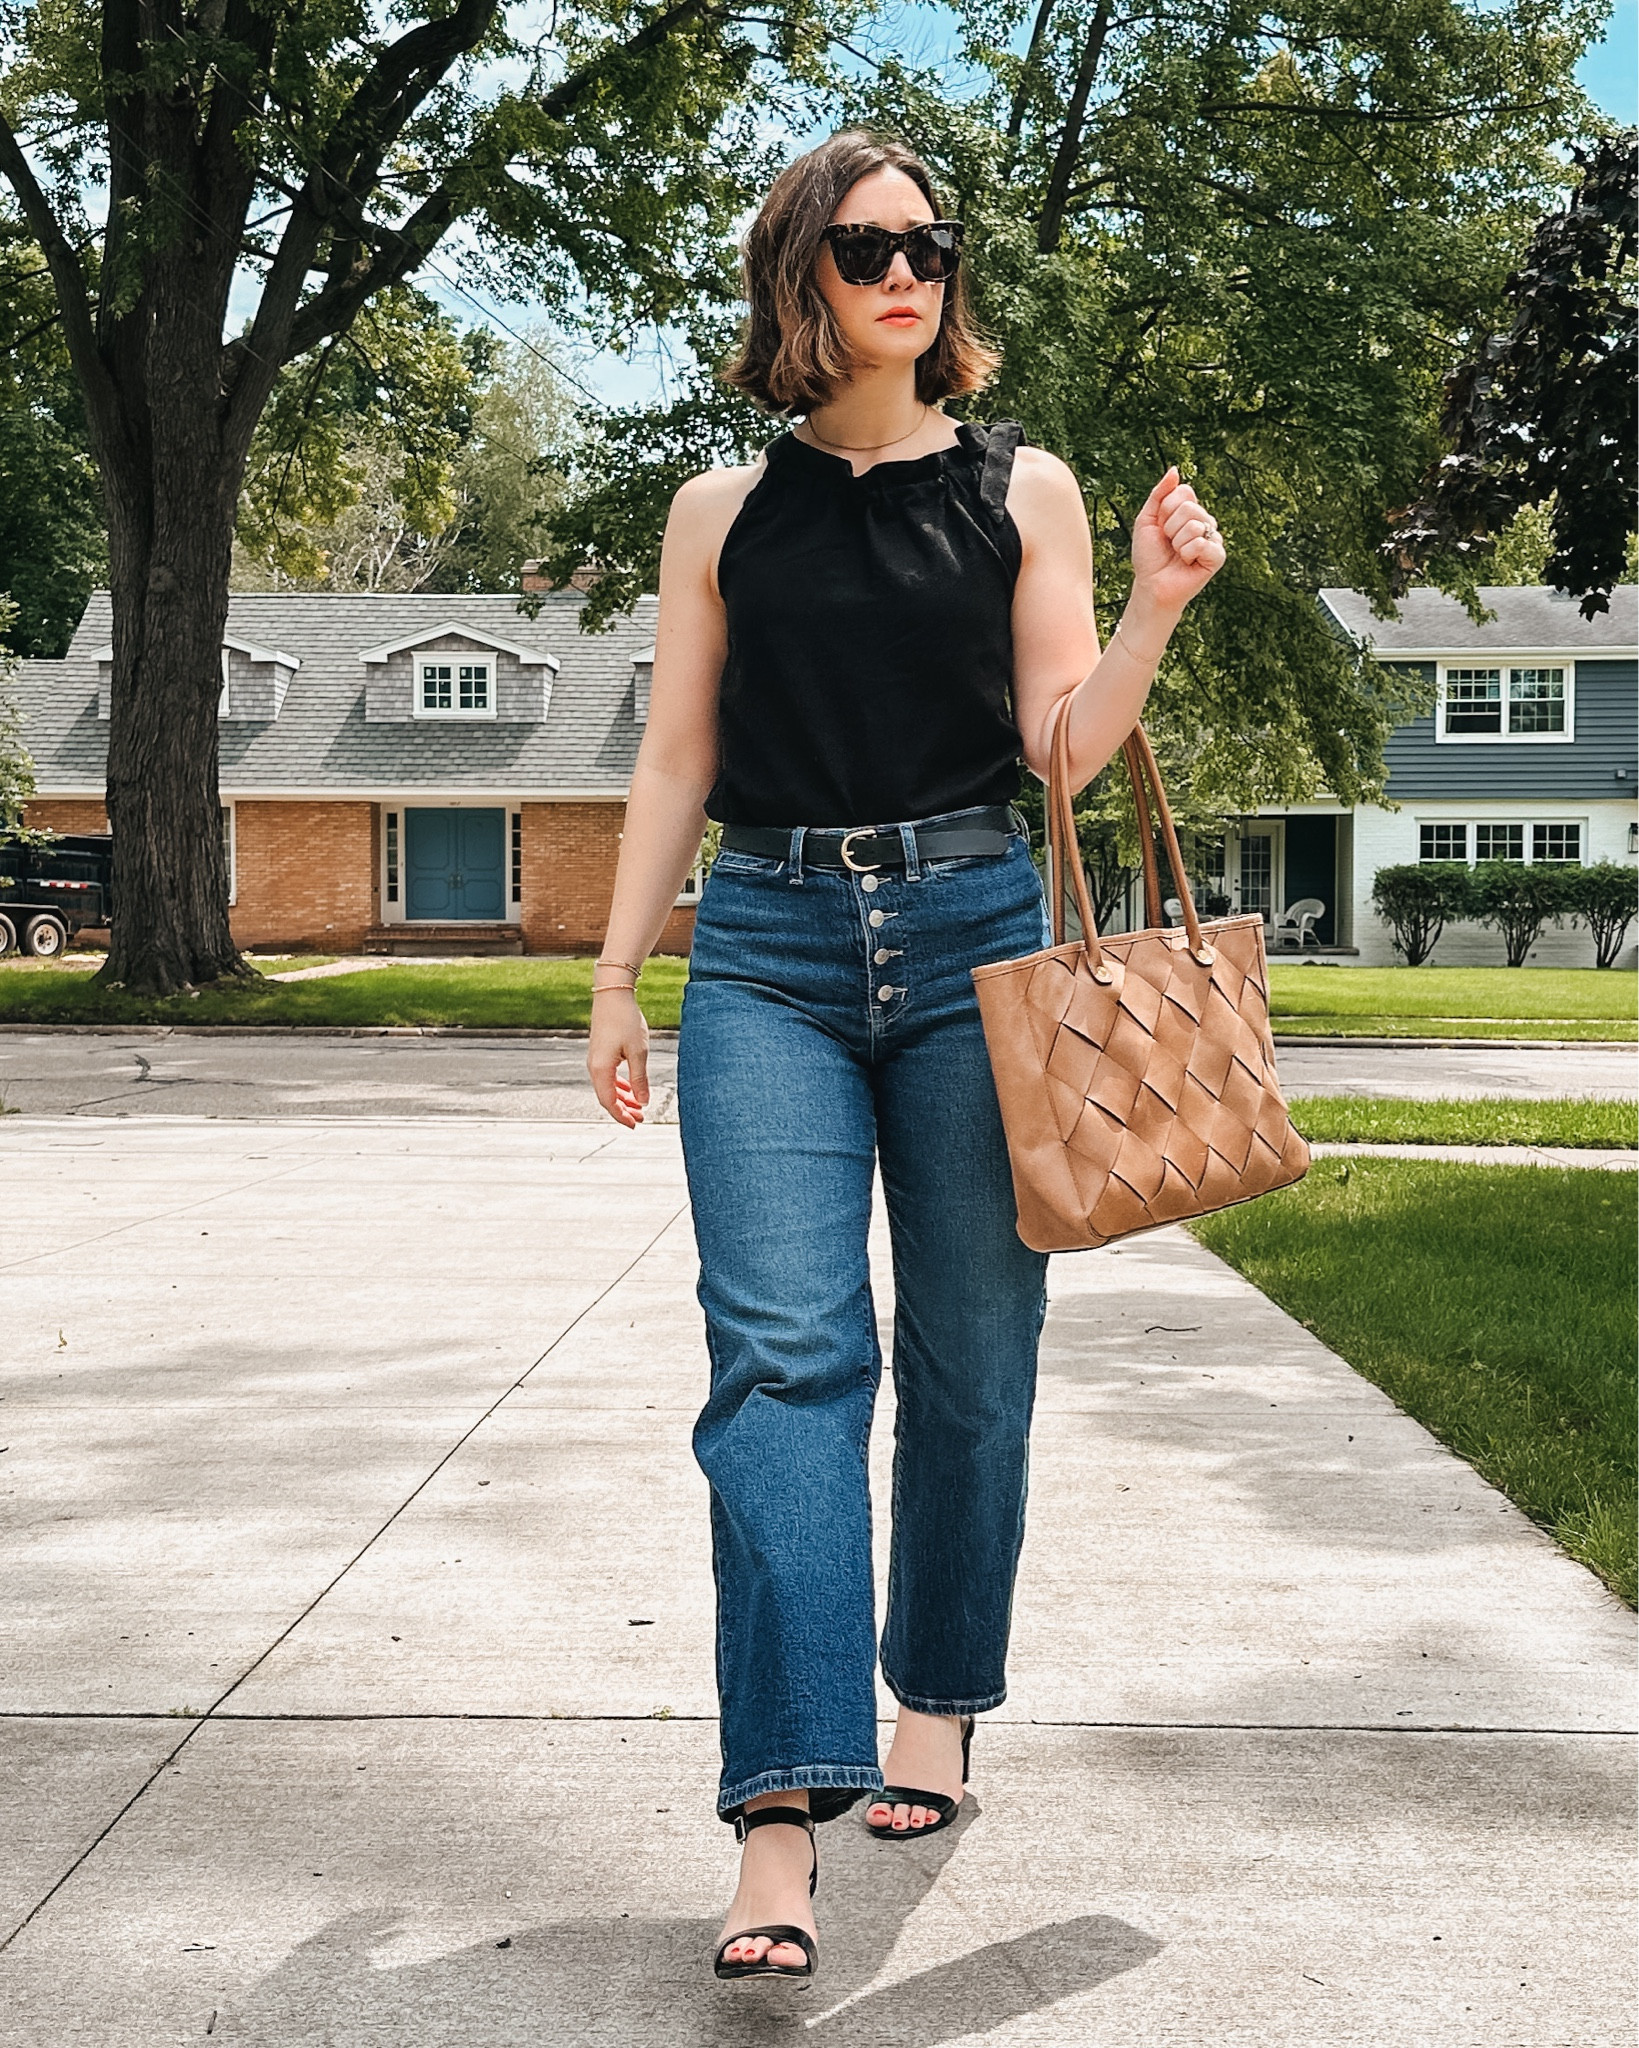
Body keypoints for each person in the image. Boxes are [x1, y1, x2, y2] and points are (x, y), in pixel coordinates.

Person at [587, 127, 1225, 1991]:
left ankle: (935, 1703)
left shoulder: (1027, 487)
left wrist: (1159, 612)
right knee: (782, 1365)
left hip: (974, 946)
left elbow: (1060, 743)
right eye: (865, 244)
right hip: (770, 952)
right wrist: (622, 972)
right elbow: (675, 758)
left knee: (972, 1361)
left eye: (929, 246)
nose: (906, 272)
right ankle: (779, 1818)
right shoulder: (720, 511)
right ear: (800, 274)